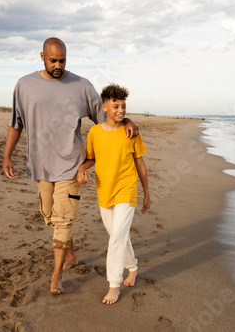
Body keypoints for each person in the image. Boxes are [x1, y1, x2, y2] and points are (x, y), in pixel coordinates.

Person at [2, 37, 138, 295]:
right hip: (41, 165)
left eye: (62, 60)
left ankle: (56, 277)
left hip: (71, 165)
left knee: (63, 221)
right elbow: (16, 124)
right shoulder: (24, 85)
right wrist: (7, 156)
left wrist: (128, 118)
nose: (58, 65)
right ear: (42, 56)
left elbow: (107, 115)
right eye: (53, 60)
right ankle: (72, 255)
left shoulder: (81, 85)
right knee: (52, 217)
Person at [77, 83, 150, 304]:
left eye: (124, 106)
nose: (121, 110)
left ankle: (114, 285)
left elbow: (140, 163)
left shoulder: (131, 132)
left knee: (117, 236)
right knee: (118, 235)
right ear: (105, 107)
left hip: (126, 189)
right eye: (116, 106)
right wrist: (81, 169)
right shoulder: (95, 132)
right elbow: (91, 158)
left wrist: (146, 193)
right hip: (104, 189)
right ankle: (133, 268)